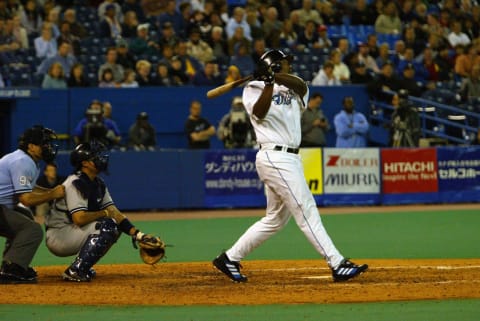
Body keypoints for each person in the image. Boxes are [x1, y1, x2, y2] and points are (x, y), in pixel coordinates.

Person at [212, 49, 368, 283]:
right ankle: (337, 263)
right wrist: (266, 82)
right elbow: (260, 113)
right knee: (306, 210)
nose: (290, 65)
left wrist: (273, 77)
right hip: (274, 157)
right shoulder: (251, 89)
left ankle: (229, 258)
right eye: (285, 63)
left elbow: (299, 85)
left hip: (291, 158)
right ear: (274, 65)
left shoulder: (295, 86)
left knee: (275, 219)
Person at [44, 141, 161, 282]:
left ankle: (82, 267)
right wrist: (104, 213)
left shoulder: (98, 183)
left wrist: (139, 235)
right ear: (85, 163)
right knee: (108, 225)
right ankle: (76, 270)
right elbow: (79, 218)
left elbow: (114, 212)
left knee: (113, 224)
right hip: (59, 235)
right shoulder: (74, 183)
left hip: (72, 231)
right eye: (95, 157)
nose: (101, 159)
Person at [0, 126, 65, 284]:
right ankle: (12, 269)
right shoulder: (22, 161)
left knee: (25, 217)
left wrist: (51, 191)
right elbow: (26, 199)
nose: (48, 147)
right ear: (31, 146)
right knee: (32, 229)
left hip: (3, 207)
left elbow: (29, 188)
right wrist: (52, 194)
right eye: (44, 143)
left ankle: (12, 263)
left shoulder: (27, 160)